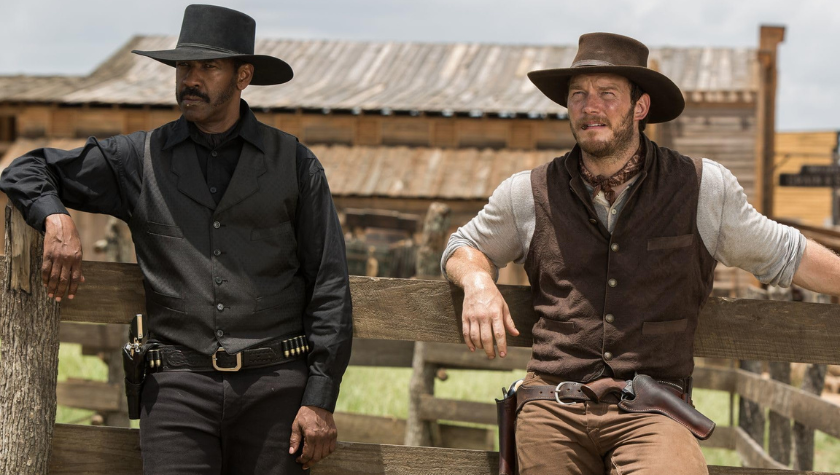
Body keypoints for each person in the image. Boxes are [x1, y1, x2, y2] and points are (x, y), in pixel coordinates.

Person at [442, 32, 840, 475]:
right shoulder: (527, 192)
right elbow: (464, 245)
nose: (590, 107)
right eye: (578, 95)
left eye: (607, 94)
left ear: (640, 107)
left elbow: (786, 254)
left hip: (652, 408)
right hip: (553, 402)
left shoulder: (701, 188)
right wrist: (477, 281)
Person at [0, 5, 352, 474]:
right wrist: (56, 219)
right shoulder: (138, 158)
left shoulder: (294, 163)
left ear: (243, 75)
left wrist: (320, 397)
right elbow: (25, 169)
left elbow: (329, 283)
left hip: (276, 389)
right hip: (176, 389)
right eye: (184, 66)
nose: (190, 78)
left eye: (207, 66)